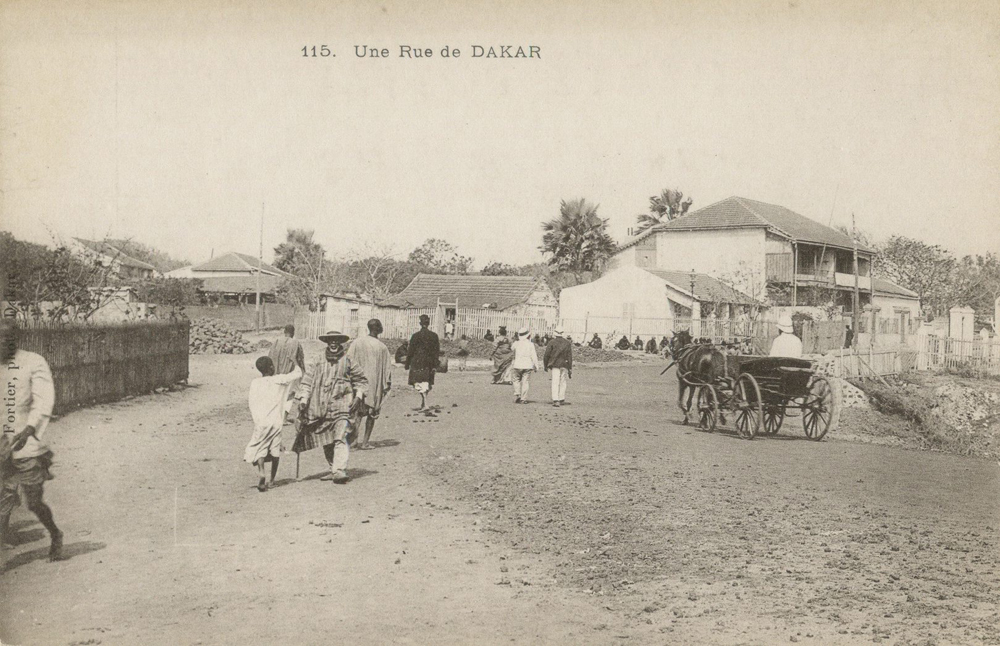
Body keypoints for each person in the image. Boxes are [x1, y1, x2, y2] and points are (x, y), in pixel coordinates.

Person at [0, 320, 63, 561]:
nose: (3, 342)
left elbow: (44, 400)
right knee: (3, 499)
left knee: (33, 502)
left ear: (16, 339)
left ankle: (55, 533)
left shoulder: (33, 362)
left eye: (8, 338)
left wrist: (28, 430)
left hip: (25, 444)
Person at [294, 330, 368, 484]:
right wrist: (303, 400)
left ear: (340, 342)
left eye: (336, 341)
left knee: (340, 437)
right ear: (327, 343)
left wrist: (358, 395)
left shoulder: (348, 360)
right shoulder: (317, 360)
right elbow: (307, 382)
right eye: (331, 341)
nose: (333, 343)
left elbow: (361, 380)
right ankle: (333, 468)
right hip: (321, 407)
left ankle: (340, 470)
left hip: (343, 405)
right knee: (327, 439)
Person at [245, 356, 302, 492]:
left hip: (261, 421)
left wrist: (257, 419)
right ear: (271, 367)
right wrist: (295, 362)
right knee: (275, 450)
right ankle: (272, 480)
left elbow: (252, 402)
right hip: (275, 422)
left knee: (260, 448)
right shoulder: (279, 379)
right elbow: (297, 374)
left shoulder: (255, 383)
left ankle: (261, 472)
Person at [346, 319, 393, 450]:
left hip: (358, 383)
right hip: (374, 384)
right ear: (379, 329)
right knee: (372, 413)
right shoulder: (382, 347)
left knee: (357, 413)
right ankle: (365, 442)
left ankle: (354, 442)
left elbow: (347, 361)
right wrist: (386, 384)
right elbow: (387, 370)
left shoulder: (357, 342)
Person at [405, 314, 440, 411]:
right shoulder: (434, 336)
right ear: (428, 323)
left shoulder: (416, 336)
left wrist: (407, 363)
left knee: (420, 382)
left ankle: (425, 404)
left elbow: (410, 351)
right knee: (427, 382)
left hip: (418, 361)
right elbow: (436, 351)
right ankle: (424, 402)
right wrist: (435, 364)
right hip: (430, 362)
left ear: (420, 323)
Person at [543, 327, 573, 407]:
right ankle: (561, 398)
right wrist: (570, 367)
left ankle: (555, 399)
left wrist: (545, 365)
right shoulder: (567, 343)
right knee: (563, 381)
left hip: (555, 364)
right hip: (564, 364)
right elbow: (569, 356)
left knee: (555, 382)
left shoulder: (552, 342)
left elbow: (546, 355)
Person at [510, 327, 539, 404]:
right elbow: (534, 356)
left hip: (517, 365)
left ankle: (517, 394)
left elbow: (511, 349)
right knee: (525, 382)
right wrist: (536, 365)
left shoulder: (516, 343)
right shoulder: (531, 344)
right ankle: (523, 398)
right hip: (527, 365)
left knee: (516, 380)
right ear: (528, 336)